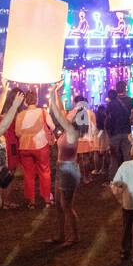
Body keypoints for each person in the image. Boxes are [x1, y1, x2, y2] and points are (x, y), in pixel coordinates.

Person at [46, 86, 85, 246]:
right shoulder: (68, 129)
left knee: (67, 206)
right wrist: (56, 93)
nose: (69, 112)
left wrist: (52, 95)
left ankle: (75, 236)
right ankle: (61, 235)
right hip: (62, 169)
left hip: (69, 171)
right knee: (58, 206)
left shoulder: (72, 131)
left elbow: (58, 113)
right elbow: (61, 110)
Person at [13, 91, 53, 209]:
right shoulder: (42, 112)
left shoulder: (20, 115)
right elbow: (53, 126)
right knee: (44, 171)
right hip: (40, 145)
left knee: (28, 174)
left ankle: (31, 201)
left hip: (24, 146)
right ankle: (46, 199)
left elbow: (18, 133)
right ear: (37, 100)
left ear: (25, 102)